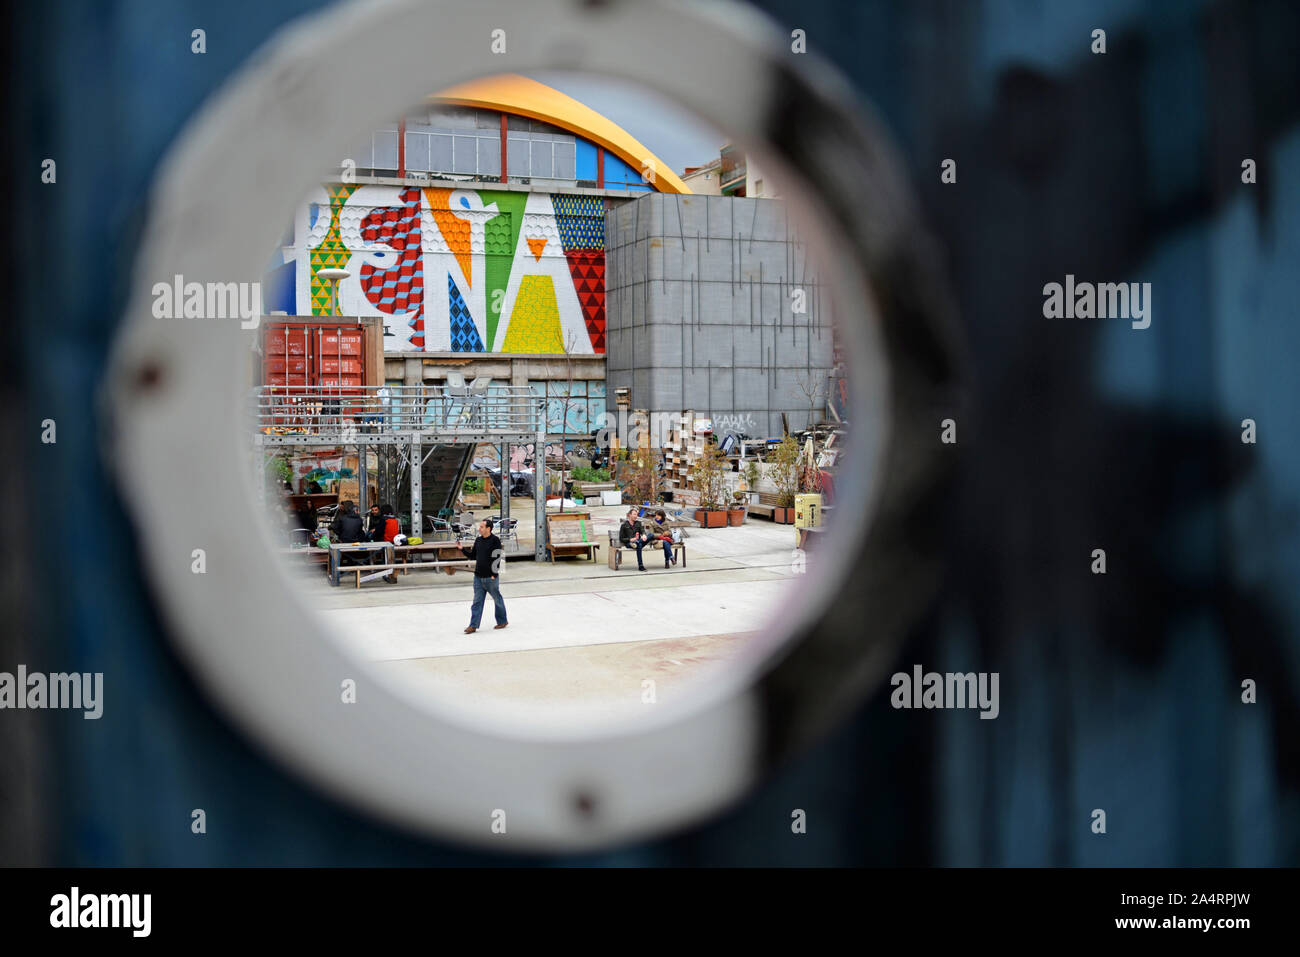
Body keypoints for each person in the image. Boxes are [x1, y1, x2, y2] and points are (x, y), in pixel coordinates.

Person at [460, 519, 507, 633]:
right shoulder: (478, 540)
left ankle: (502, 621)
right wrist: (462, 549)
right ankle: (473, 625)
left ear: (488, 529)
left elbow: (498, 558)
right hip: (478, 577)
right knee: (477, 602)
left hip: (490, 578)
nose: (479, 529)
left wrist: (493, 575)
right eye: (479, 527)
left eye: (481, 527)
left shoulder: (495, 541)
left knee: (497, 600)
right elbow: (473, 556)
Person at [329, 500, 367, 567]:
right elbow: (359, 531)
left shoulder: (342, 518)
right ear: (355, 511)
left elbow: (335, 528)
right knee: (363, 534)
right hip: (355, 541)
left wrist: (340, 534)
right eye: (357, 511)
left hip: (344, 540)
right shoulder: (359, 519)